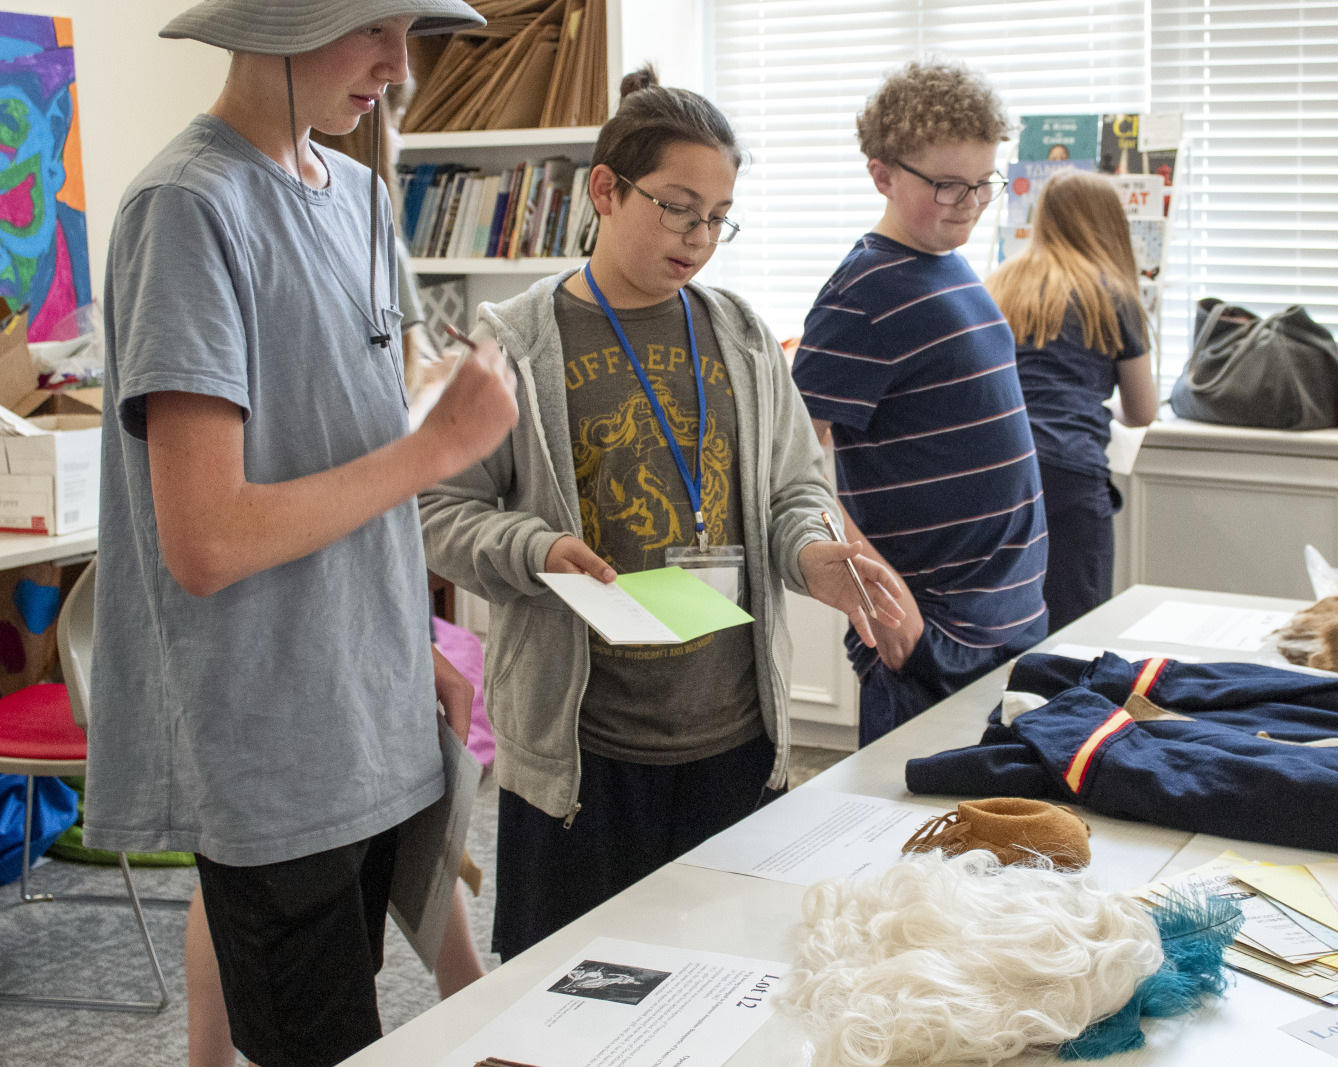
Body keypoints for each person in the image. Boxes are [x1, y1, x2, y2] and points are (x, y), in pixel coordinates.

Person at [84, 4, 520, 1066]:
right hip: (270, 738)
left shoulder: (361, 195)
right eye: (371, 26)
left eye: (408, 29)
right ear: (278, 19)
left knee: (349, 1019)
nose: (400, 65)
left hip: (361, 704)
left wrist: (400, 637)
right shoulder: (189, 208)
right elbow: (209, 536)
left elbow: (340, 456)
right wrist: (439, 447)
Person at [418, 67, 902, 961]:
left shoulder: (742, 334)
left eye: (718, 216)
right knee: (565, 999)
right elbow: (439, 512)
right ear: (604, 189)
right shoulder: (513, 342)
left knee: (721, 984)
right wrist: (537, 546)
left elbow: (796, 486)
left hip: (731, 737)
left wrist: (813, 555)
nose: (700, 237)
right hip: (582, 752)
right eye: (679, 207)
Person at [790, 59, 1049, 747]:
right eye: (945, 185)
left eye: (982, 184)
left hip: (1007, 617)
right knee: (917, 841)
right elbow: (786, 464)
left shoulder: (951, 264)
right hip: (933, 634)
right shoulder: (863, 293)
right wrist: (876, 595)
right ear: (882, 174)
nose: (966, 202)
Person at [986, 171, 1159, 628]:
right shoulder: (1112, 294)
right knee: (1075, 630)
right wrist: (1097, 406)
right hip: (1070, 471)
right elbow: (1142, 410)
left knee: (999, 624)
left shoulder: (998, 285)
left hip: (998, 471)